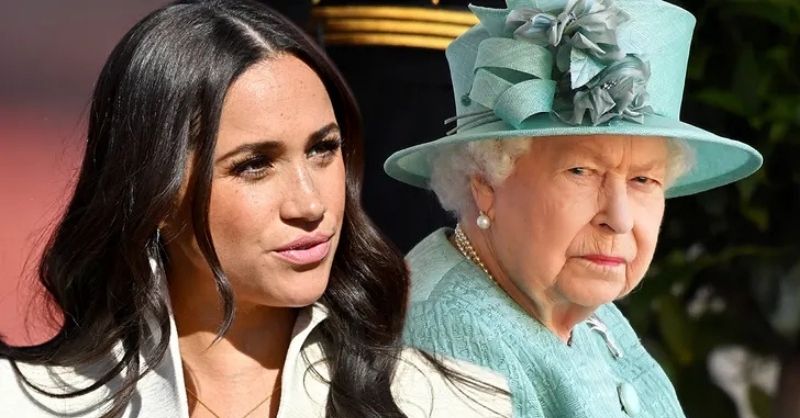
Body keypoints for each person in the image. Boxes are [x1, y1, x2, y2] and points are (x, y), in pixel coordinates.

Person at [0, 1, 511, 417]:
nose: (310, 204)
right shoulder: (18, 401)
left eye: (323, 150)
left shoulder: (459, 405)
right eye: (254, 165)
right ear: (154, 190)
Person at [384, 0, 763, 417]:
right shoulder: (446, 346)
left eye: (643, 180)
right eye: (581, 171)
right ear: (485, 183)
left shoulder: (581, 308)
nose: (619, 219)